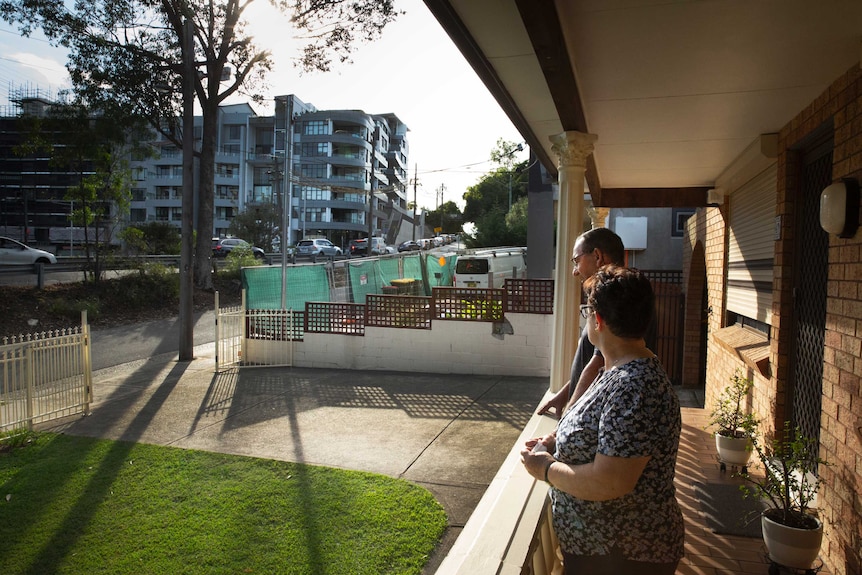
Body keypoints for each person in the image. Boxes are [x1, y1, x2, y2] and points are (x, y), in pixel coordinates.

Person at [520, 266, 684, 574]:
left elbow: (610, 481)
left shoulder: (635, 386)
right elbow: (593, 427)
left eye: (588, 311)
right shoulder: (616, 370)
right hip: (603, 550)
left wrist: (545, 468)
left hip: (624, 555)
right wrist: (554, 441)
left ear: (598, 320)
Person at [536, 227, 626, 418]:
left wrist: (565, 423)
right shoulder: (620, 293)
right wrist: (566, 393)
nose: (575, 272)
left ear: (597, 256)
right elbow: (594, 360)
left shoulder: (616, 298)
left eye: (576, 261)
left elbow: (598, 364)